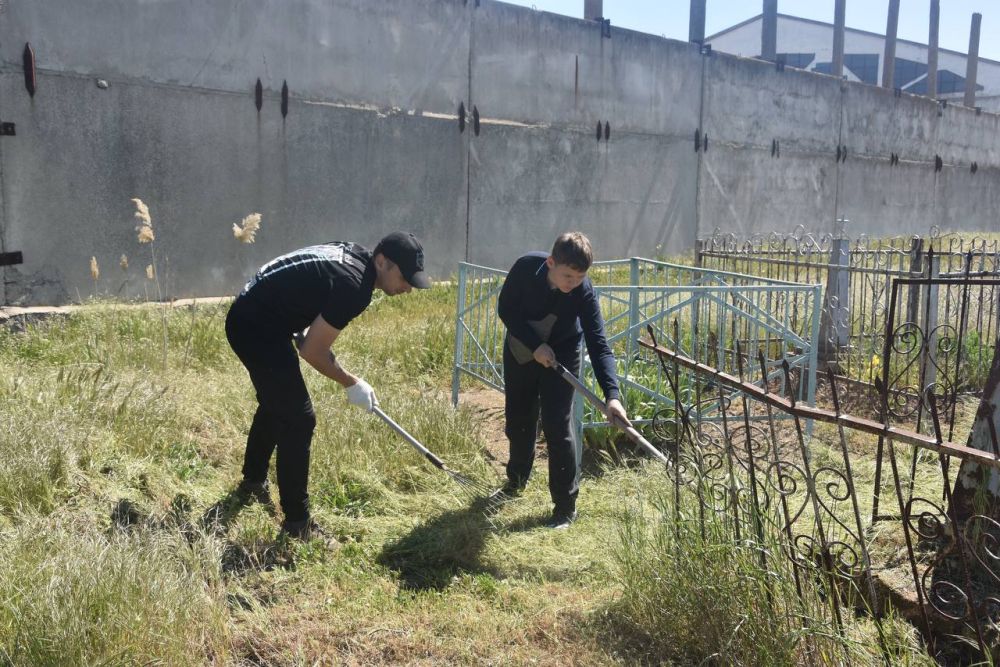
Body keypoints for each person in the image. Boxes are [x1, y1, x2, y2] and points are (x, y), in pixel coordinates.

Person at [225, 232, 430, 539]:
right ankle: (298, 524)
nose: (408, 288)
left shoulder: (354, 255)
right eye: (404, 278)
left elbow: (310, 288)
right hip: (254, 327)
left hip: (258, 314)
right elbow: (313, 352)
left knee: (278, 401)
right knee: (298, 418)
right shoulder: (354, 286)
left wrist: (296, 321)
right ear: (382, 262)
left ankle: (253, 482)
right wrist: (351, 383)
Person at [493, 231, 630, 529]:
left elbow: (598, 344)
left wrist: (612, 395)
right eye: (568, 276)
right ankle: (516, 480)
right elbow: (506, 309)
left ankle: (565, 508)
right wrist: (534, 345)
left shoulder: (583, 292)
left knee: (558, 424)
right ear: (551, 263)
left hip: (563, 353)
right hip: (521, 348)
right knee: (519, 419)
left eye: (580, 277)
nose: (573, 283)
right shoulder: (525, 269)